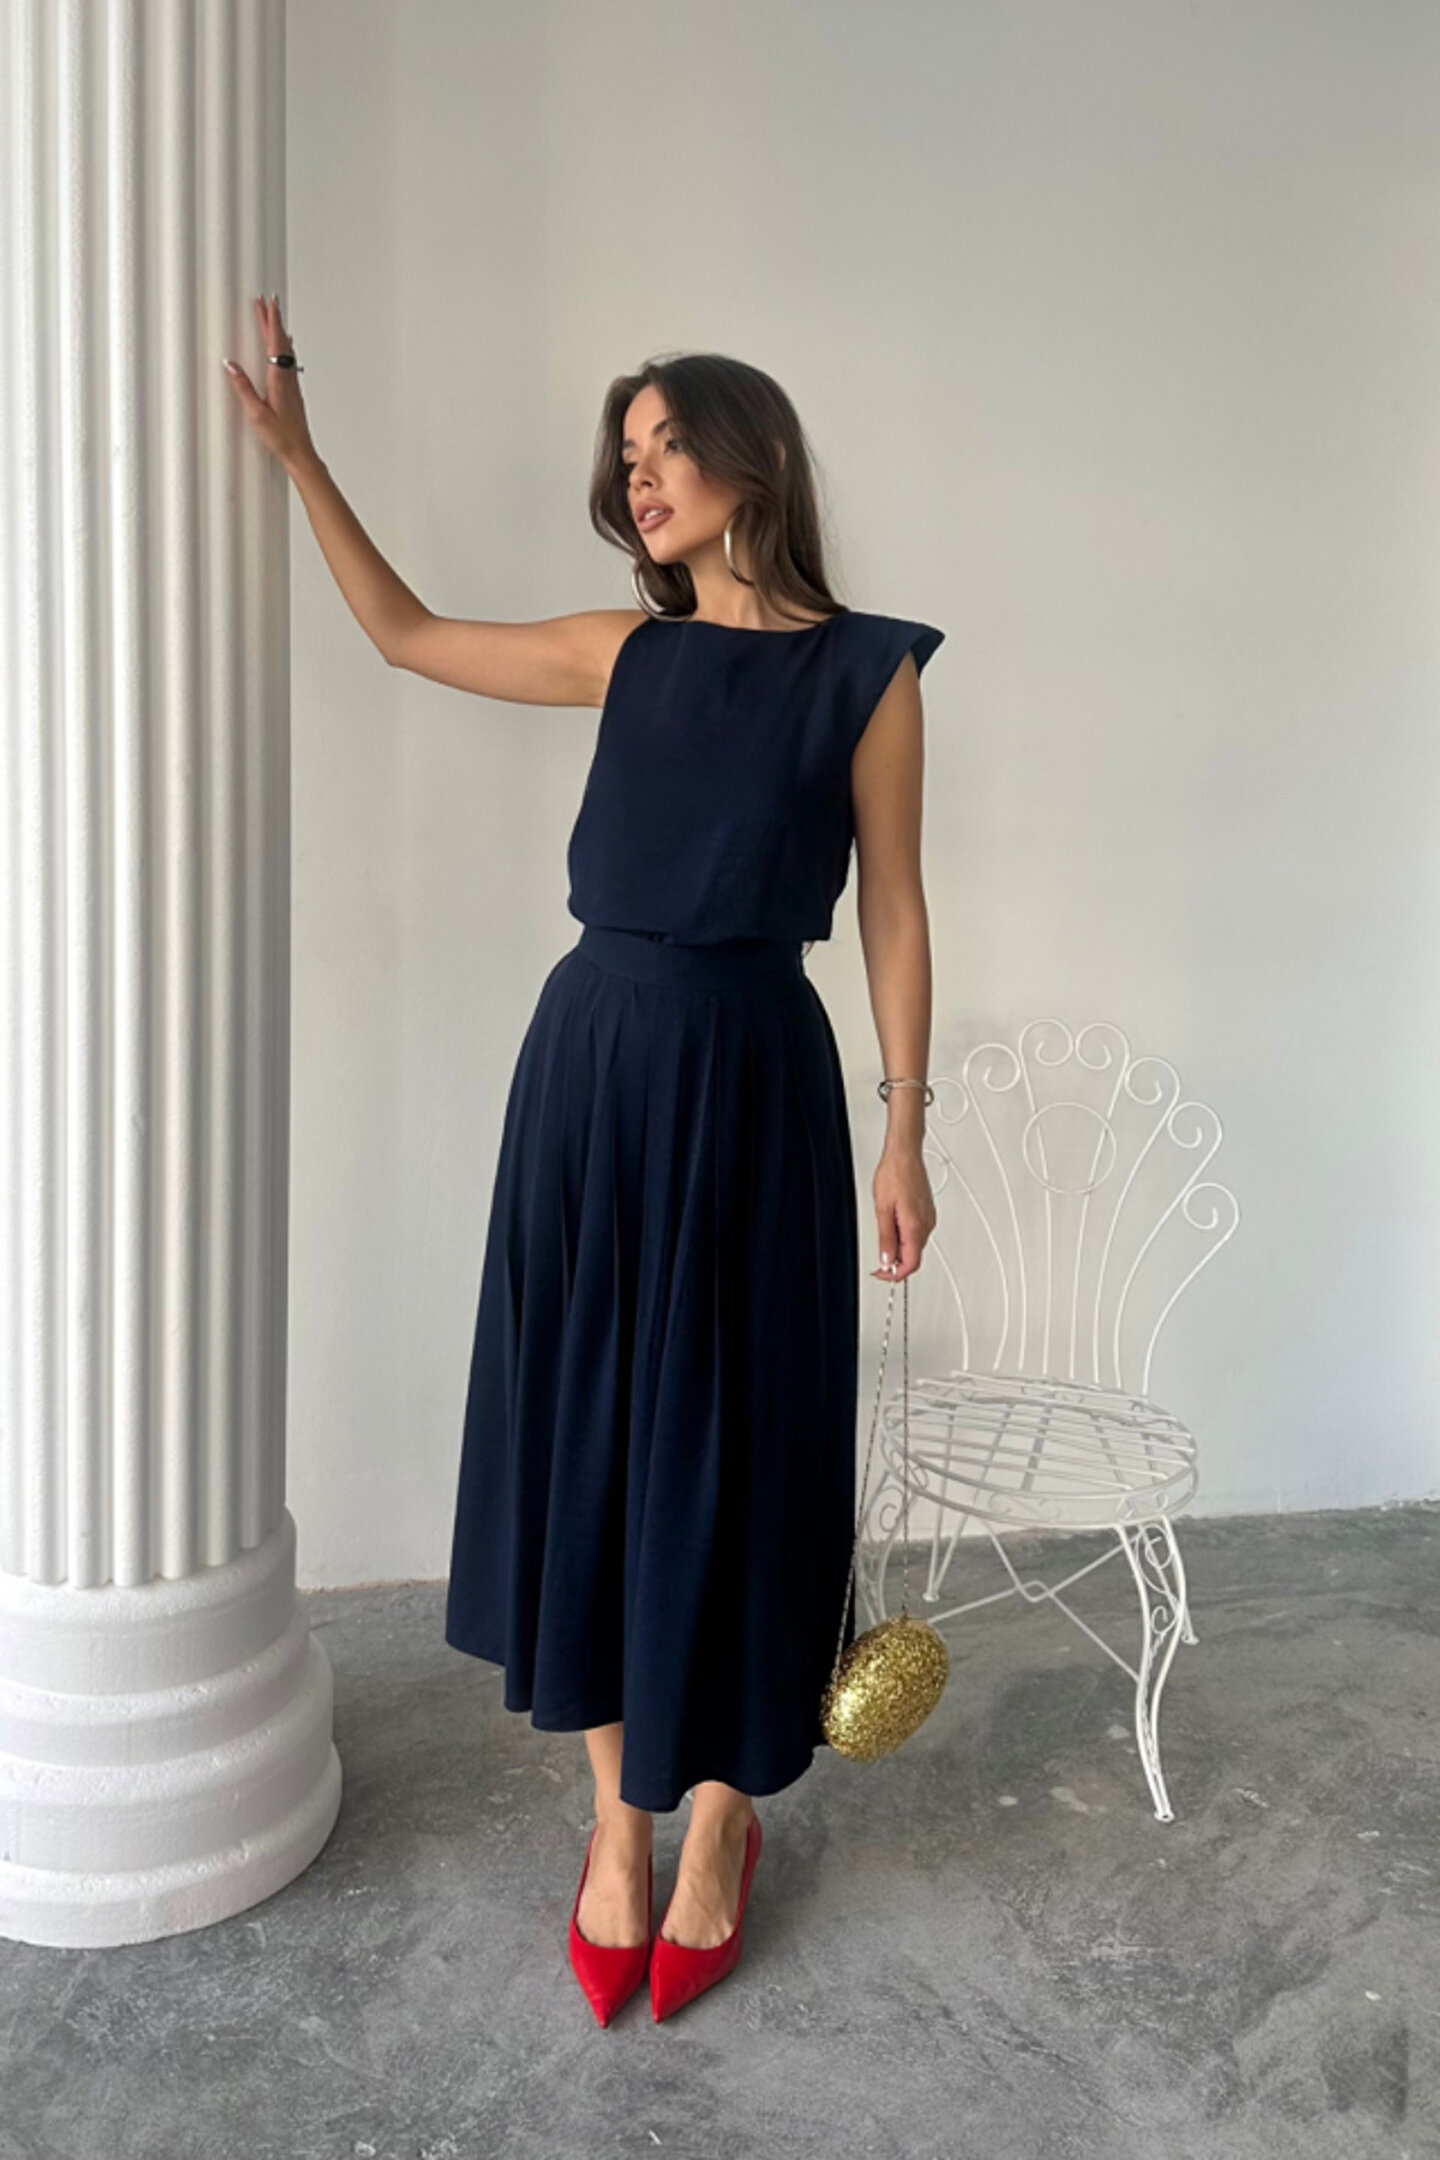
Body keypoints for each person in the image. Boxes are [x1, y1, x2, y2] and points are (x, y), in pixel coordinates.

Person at [224, 302, 943, 2024]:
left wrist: (908, 1124)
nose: (642, 478)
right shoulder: (627, 654)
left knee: (745, 1437)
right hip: (595, 1069)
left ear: (752, 456)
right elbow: (405, 635)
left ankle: (721, 1822)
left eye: (667, 445)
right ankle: (616, 1825)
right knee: (597, 1430)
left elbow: (897, 908)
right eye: (626, 459)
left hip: (758, 1078)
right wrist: (305, 461)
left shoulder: (869, 672)